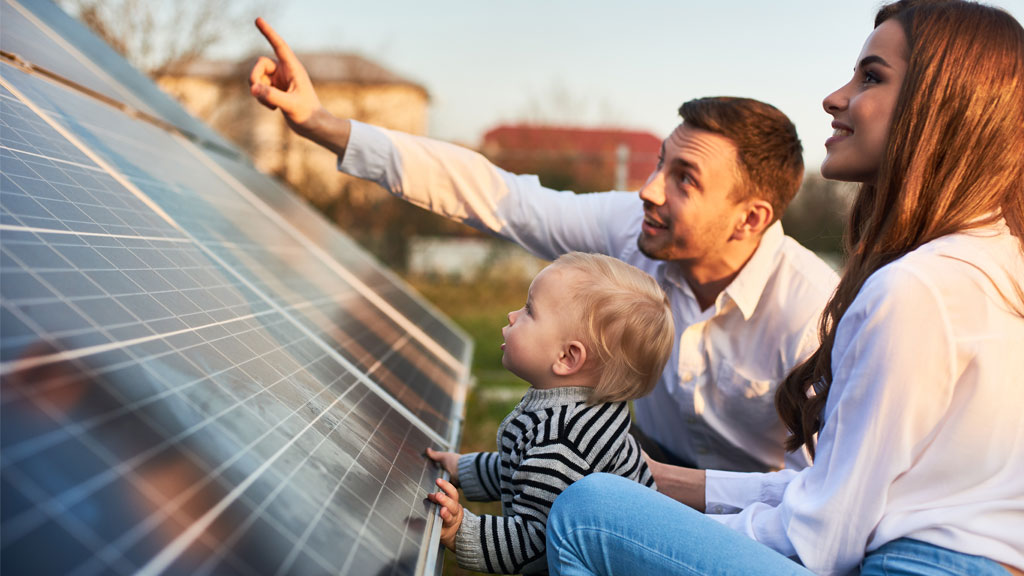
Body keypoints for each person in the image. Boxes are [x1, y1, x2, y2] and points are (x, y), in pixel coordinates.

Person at [544, 1, 1024, 575]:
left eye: (871, 77)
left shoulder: (915, 288)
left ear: (941, 109)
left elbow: (823, 539)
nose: (835, 97)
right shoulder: (996, 259)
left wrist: (654, 521)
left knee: (587, 515)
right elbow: (832, 492)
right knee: (612, 498)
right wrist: (658, 483)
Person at [248, 19, 839, 474]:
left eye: (685, 178)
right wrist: (323, 124)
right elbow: (497, 196)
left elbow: (816, 500)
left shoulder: (813, 314)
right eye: (661, 162)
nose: (649, 188)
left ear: (749, 218)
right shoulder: (635, 228)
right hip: (646, 461)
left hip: (755, 518)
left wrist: (649, 488)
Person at [422, 251, 673, 574]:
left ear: (567, 358)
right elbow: (524, 469)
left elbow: (535, 544)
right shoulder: (575, 411)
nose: (512, 315)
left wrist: (461, 531)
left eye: (528, 310)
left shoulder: (563, 443)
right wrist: (463, 469)